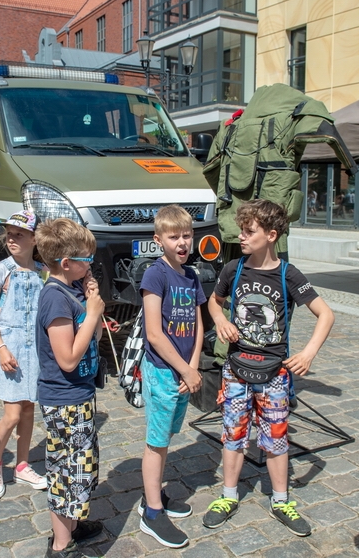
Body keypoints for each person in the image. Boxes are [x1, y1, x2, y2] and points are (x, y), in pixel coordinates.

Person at [204, 199, 334, 535]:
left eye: (249, 231)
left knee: (276, 437)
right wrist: (219, 320)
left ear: (271, 235)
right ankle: (228, 495)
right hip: (236, 367)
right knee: (234, 433)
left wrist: (307, 354)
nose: (242, 237)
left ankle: (281, 500)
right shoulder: (233, 269)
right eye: (241, 230)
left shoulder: (288, 274)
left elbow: (326, 314)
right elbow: (213, 302)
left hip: (274, 372)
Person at [136, 205, 205, 548]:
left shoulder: (191, 275)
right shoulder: (156, 275)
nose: (182, 242)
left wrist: (193, 365)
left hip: (182, 373)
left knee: (166, 439)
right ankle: (151, 512)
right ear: (158, 239)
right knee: (157, 442)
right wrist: (184, 368)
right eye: (174, 236)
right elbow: (155, 333)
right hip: (164, 371)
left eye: (187, 235)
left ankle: (156, 495)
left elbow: (198, 324)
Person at [36, 218, 105, 558]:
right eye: (86, 259)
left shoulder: (73, 291)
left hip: (79, 394)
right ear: (66, 264)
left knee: (82, 466)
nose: (91, 263)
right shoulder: (54, 298)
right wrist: (91, 315)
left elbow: (88, 337)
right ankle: (61, 544)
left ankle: (72, 526)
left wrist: (93, 309)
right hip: (64, 399)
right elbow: (66, 359)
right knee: (67, 470)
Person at [0, 210, 48, 499]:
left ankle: (22, 464)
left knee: (30, 408)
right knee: (11, 414)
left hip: (34, 352)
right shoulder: (1, 271)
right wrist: (1, 348)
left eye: (19, 234)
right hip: (10, 351)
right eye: (9, 233)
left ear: (34, 239)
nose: (12, 239)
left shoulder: (42, 271)